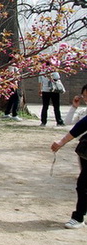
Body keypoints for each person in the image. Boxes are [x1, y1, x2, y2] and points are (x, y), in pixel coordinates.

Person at [51, 84, 87, 229]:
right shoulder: (84, 111)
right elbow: (70, 123)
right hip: (85, 151)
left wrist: (61, 142)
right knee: (84, 184)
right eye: (85, 96)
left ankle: (78, 217)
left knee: (83, 184)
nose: (86, 99)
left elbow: (81, 126)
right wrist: (74, 107)